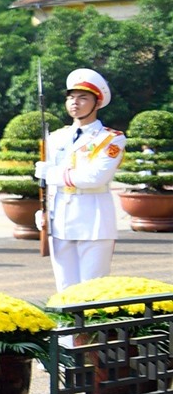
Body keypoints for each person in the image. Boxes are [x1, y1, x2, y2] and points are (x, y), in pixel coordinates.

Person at [38, 68, 127, 290]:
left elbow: (95, 177)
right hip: (59, 220)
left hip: (93, 219)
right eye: (71, 97)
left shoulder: (110, 138)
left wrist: (52, 174)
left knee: (92, 289)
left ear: (97, 103)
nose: (74, 103)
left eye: (82, 98)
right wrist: (42, 210)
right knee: (64, 288)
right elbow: (47, 185)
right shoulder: (56, 137)